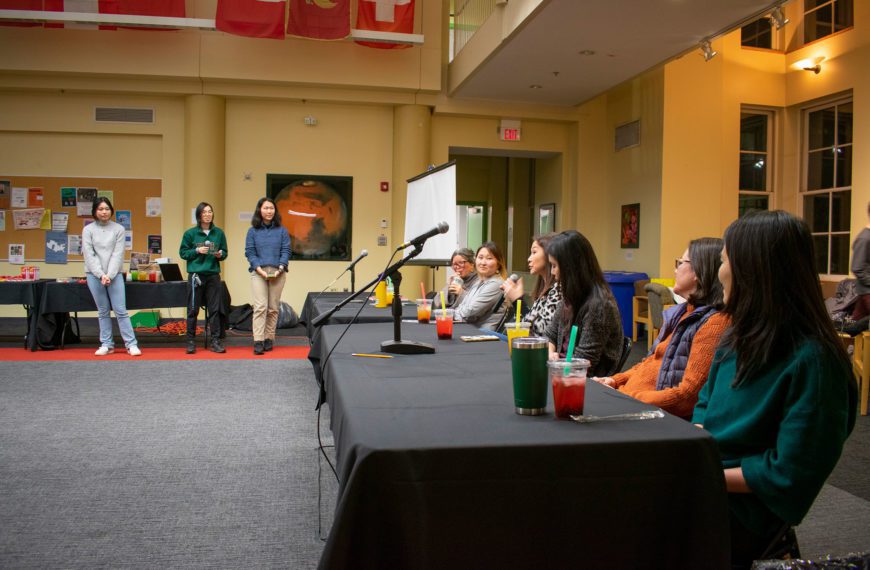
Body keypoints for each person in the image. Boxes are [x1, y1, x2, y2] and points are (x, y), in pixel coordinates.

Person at [692, 211, 857, 568]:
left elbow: (789, 475)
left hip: (744, 515)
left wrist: (701, 474)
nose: (719, 272)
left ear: (753, 271)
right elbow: (705, 408)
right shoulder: (735, 339)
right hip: (706, 488)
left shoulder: (814, 362)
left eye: (723, 261)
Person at [593, 238, 728, 418]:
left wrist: (624, 397)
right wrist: (614, 381)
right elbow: (649, 363)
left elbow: (686, 397)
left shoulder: (714, 323)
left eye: (680, 262)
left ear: (699, 271)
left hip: (652, 417)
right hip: (630, 403)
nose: (675, 268)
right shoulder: (681, 313)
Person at [544, 230, 622, 377]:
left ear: (570, 268)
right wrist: (550, 353)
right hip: (562, 371)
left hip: (584, 383)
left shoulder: (599, 306)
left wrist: (556, 365)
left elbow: (583, 364)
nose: (553, 273)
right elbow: (550, 334)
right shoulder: (571, 297)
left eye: (554, 266)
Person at [81, 196, 141, 356]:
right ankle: (107, 344)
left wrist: (110, 275)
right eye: (100, 209)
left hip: (114, 275)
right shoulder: (88, 230)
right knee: (103, 310)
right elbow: (89, 254)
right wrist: (101, 275)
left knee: (120, 310)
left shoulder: (119, 229)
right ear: (95, 211)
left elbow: (118, 254)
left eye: (107, 209)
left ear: (111, 211)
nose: (104, 212)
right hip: (94, 275)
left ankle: (131, 344)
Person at [179, 202, 228, 354]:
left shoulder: (219, 233)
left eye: (210, 211)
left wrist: (220, 254)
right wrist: (197, 250)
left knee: (214, 309)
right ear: (199, 215)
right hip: (196, 276)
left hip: (213, 275)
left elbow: (225, 252)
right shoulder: (190, 234)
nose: (207, 214)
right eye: (204, 212)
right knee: (193, 310)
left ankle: (215, 341)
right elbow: (183, 253)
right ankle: (191, 341)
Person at [245, 197, 291, 355]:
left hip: (278, 272)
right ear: (259, 210)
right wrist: (259, 269)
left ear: (275, 211)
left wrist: (280, 267)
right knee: (260, 307)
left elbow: (286, 250)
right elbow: (250, 252)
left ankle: (268, 338)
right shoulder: (252, 231)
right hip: (259, 272)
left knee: (273, 308)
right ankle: (258, 340)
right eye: (266, 208)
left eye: (271, 208)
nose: (269, 211)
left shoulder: (282, 231)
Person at [500, 233, 561, 336]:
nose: (529, 259)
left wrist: (517, 300)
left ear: (549, 255)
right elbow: (528, 323)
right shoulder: (542, 287)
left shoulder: (558, 290)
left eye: (534, 252)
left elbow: (538, 332)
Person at [453, 242, 507, 329]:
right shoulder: (479, 281)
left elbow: (469, 312)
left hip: (482, 336)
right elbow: (463, 306)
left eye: (489, 258)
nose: (483, 262)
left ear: (498, 264)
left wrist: (448, 314)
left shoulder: (497, 284)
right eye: (480, 257)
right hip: (469, 330)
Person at [850, 202, 870, 320]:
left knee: (857, 326)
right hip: (867, 292)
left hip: (865, 291)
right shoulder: (865, 238)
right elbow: (857, 267)